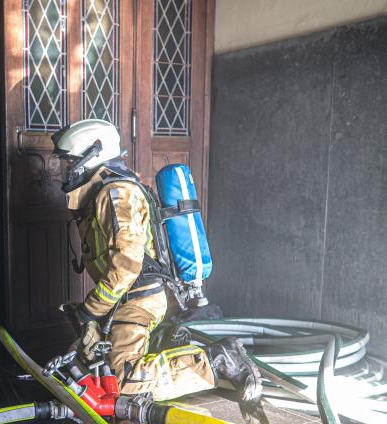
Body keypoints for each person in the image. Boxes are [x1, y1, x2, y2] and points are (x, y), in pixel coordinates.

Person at [51, 119, 261, 405]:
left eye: (70, 162)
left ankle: (218, 360)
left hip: (140, 298)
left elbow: (126, 266)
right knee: (91, 364)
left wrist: (91, 310)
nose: (65, 170)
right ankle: (169, 348)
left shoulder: (117, 194)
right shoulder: (100, 193)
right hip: (127, 296)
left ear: (92, 157)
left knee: (122, 380)